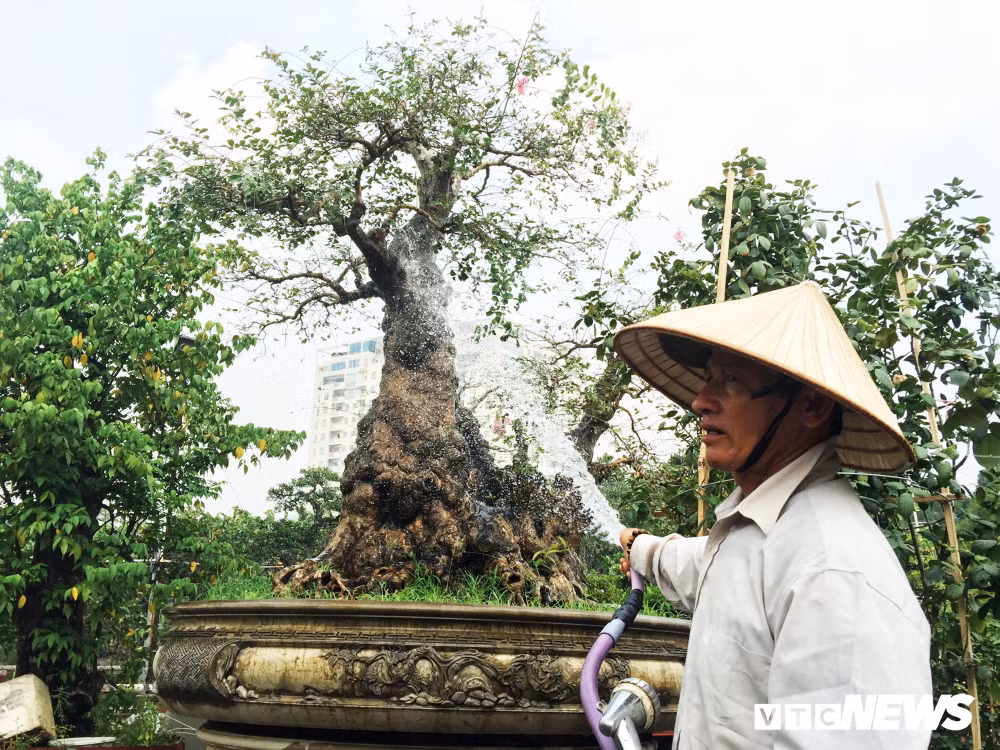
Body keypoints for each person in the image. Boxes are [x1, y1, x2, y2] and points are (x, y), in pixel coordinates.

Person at [612, 281, 933, 749]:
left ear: (811, 405)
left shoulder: (833, 570)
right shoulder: (760, 534)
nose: (701, 401)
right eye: (709, 378)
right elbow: (700, 567)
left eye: (733, 380)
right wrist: (644, 548)